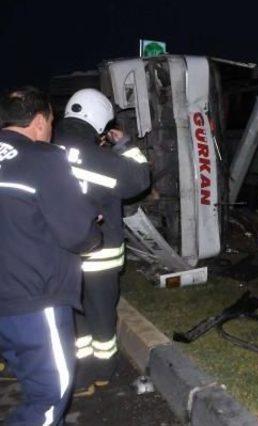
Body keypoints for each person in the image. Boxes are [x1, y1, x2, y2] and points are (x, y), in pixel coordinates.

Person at [0, 87, 102, 424]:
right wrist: (93, 228)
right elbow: (76, 234)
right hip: (34, 300)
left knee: (29, 376)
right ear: (41, 120)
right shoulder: (43, 159)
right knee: (48, 395)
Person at [54, 88, 150, 396]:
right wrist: (124, 144)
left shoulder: (47, 151)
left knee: (74, 313)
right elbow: (139, 180)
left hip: (63, 253)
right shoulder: (100, 158)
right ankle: (104, 371)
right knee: (101, 314)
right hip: (101, 253)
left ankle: (80, 374)